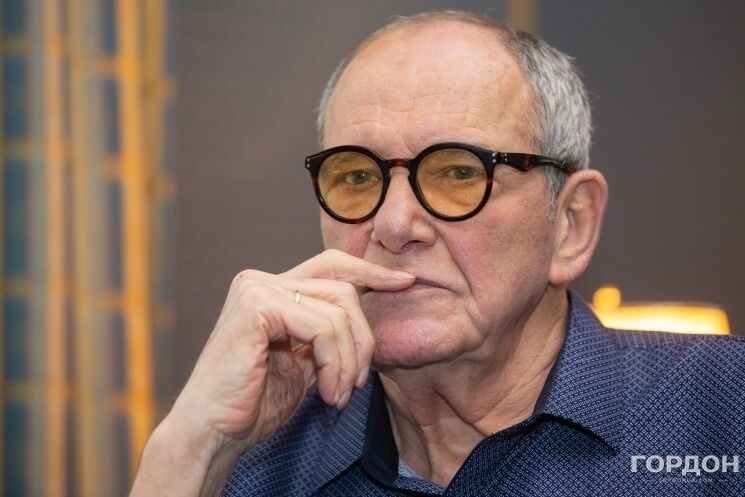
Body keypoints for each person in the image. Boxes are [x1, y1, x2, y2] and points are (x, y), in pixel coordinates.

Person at [130, 10, 745, 497]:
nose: (394, 225)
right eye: (357, 176)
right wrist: (190, 448)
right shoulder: (252, 462)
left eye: (458, 172)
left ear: (570, 224)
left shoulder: (723, 411)